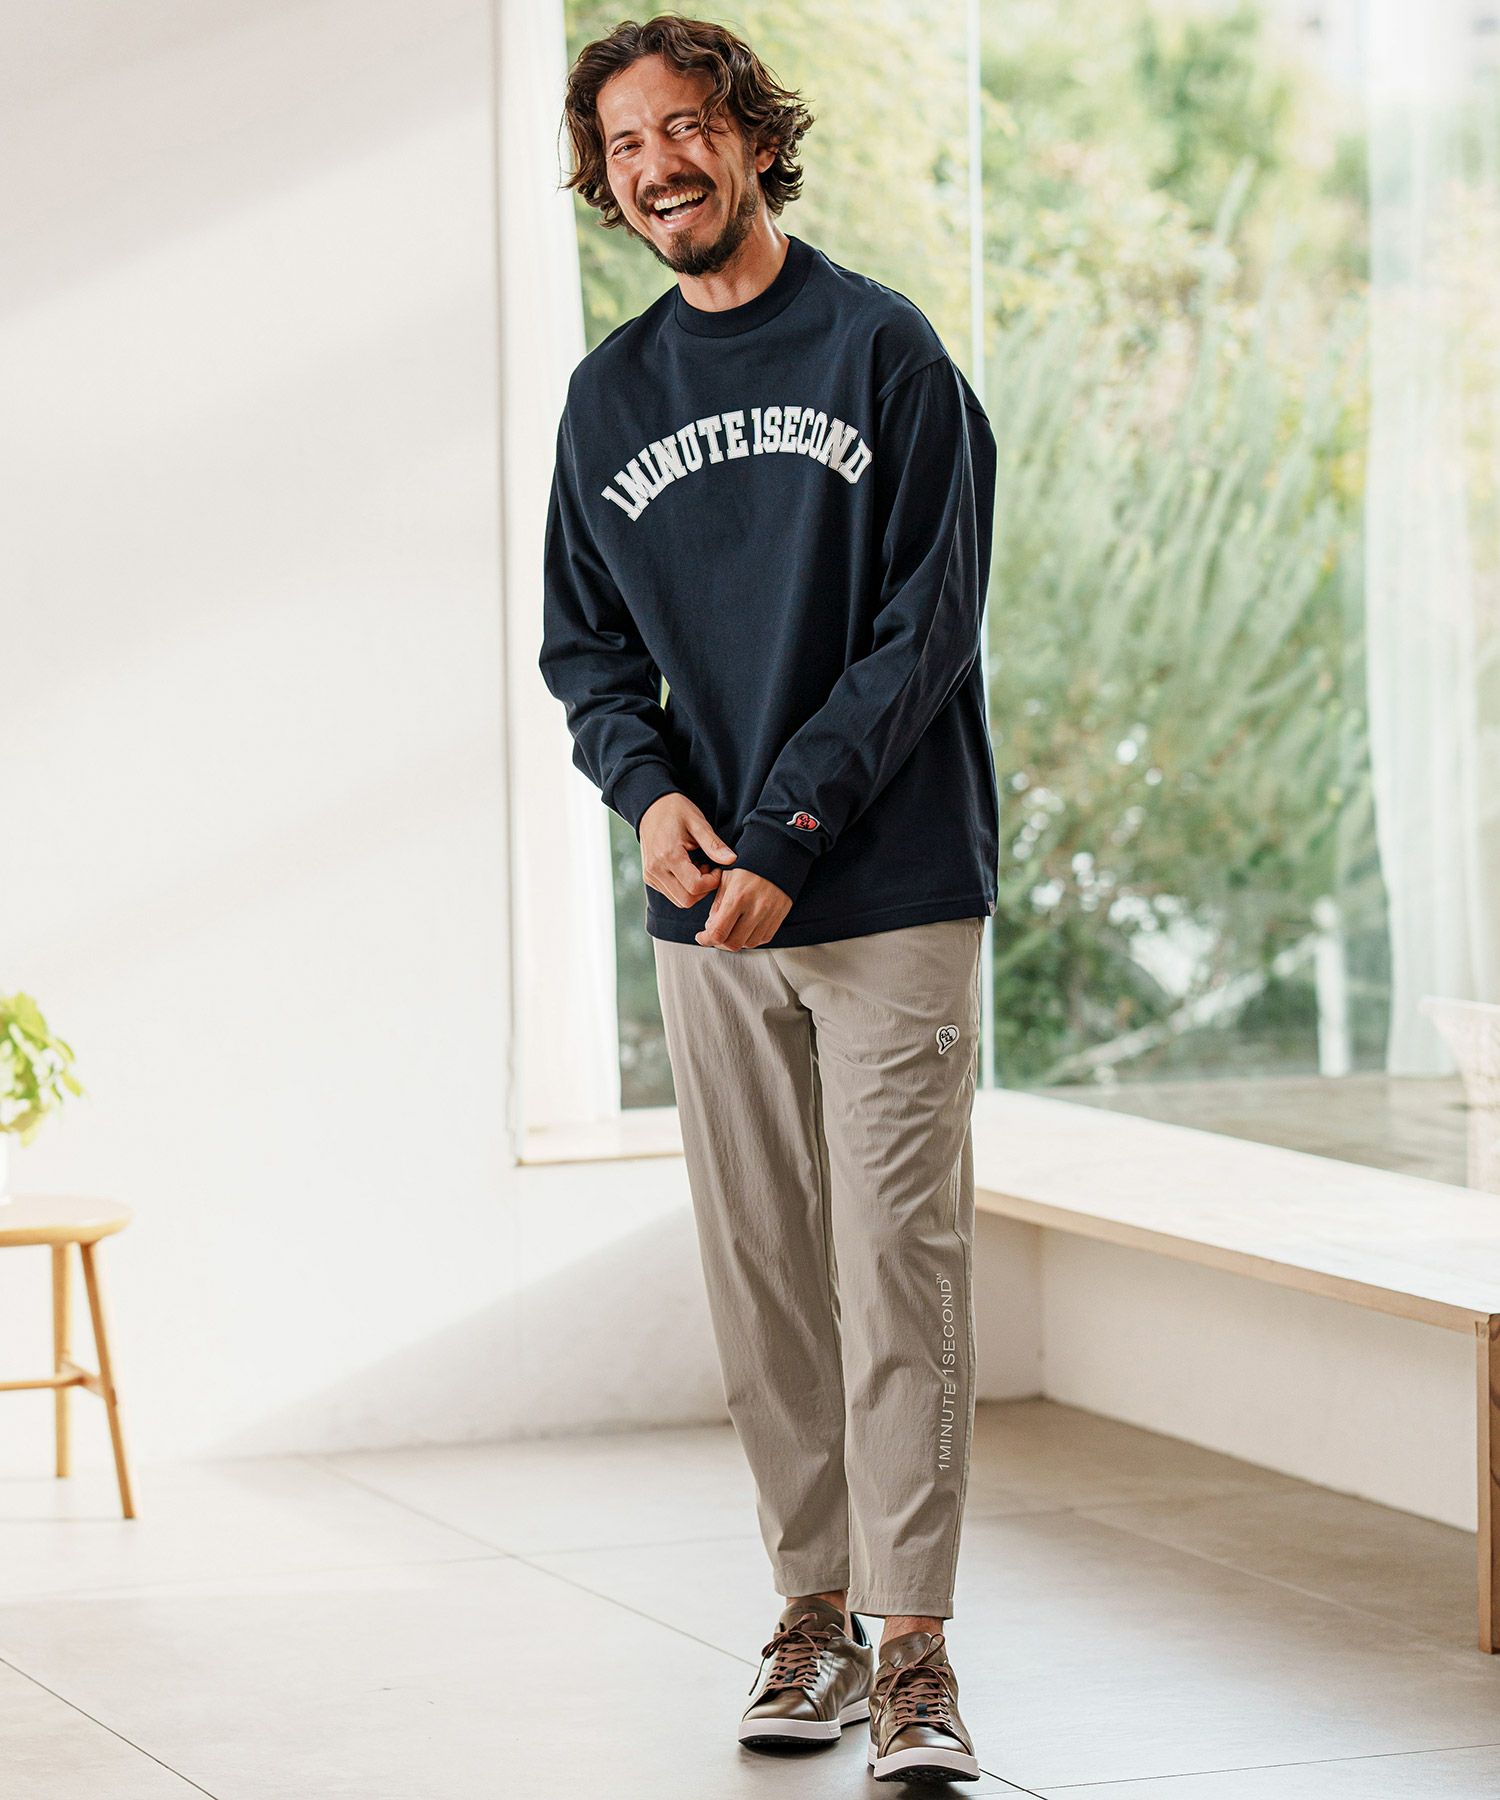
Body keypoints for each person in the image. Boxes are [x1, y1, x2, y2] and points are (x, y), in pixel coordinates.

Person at [539, 13, 999, 1785]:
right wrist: (649, 797)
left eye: (684, 126)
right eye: (625, 143)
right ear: (608, 181)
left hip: (884, 888)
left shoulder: (885, 351)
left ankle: (916, 1651)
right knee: (763, 1282)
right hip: (706, 907)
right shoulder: (608, 396)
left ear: (747, 135)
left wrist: (791, 827)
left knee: (898, 1269)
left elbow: (925, 629)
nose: (658, 163)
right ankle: (811, 1614)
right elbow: (588, 651)